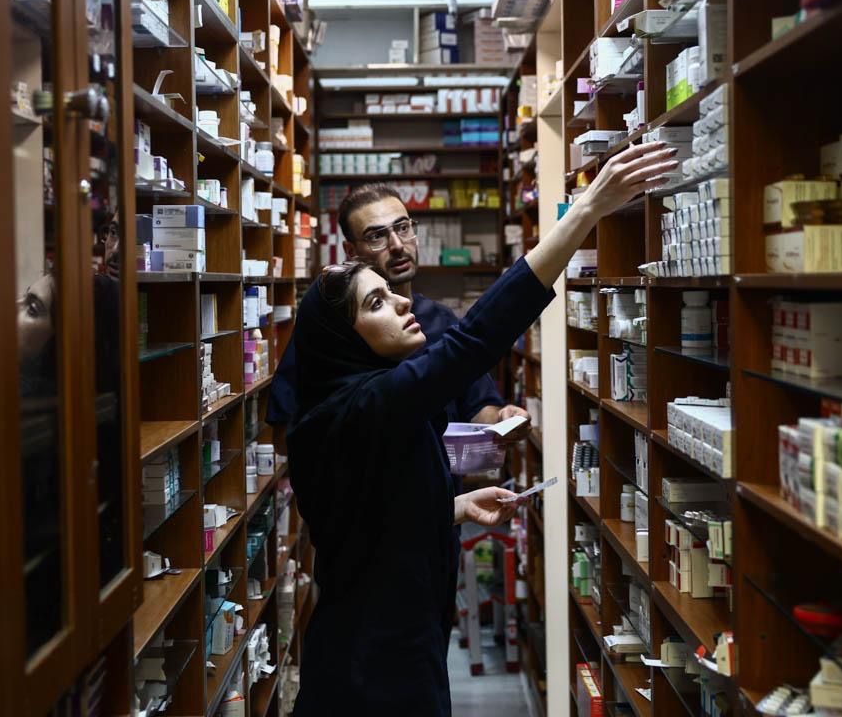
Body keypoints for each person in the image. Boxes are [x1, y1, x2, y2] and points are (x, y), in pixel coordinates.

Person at [287, 142, 678, 715]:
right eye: (377, 303)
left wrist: (457, 509)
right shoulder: (366, 401)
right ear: (347, 338)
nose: (399, 305)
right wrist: (587, 210)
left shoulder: (357, 400)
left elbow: (370, 523)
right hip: (373, 661)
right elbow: (477, 340)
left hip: (399, 631)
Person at [267, 184, 527, 432]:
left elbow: (478, 407)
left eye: (403, 228)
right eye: (377, 236)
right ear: (350, 251)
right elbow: (286, 432)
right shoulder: (330, 334)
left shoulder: (440, 321)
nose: (398, 245)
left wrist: (502, 419)